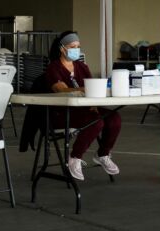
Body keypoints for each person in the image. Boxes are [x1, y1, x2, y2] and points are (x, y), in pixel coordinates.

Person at [46, 30, 121, 181]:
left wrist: (93, 102)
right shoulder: (53, 68)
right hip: (63, 112)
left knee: (114, 118)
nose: (76, 50)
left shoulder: (82, 66)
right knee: (96, 122)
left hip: (84, 108)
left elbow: (92, 86)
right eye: (73, 46)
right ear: (62, 48)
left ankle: (103, 154)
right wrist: (80, 89)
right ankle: (74, 157)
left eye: (78, 46)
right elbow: (59, 89)